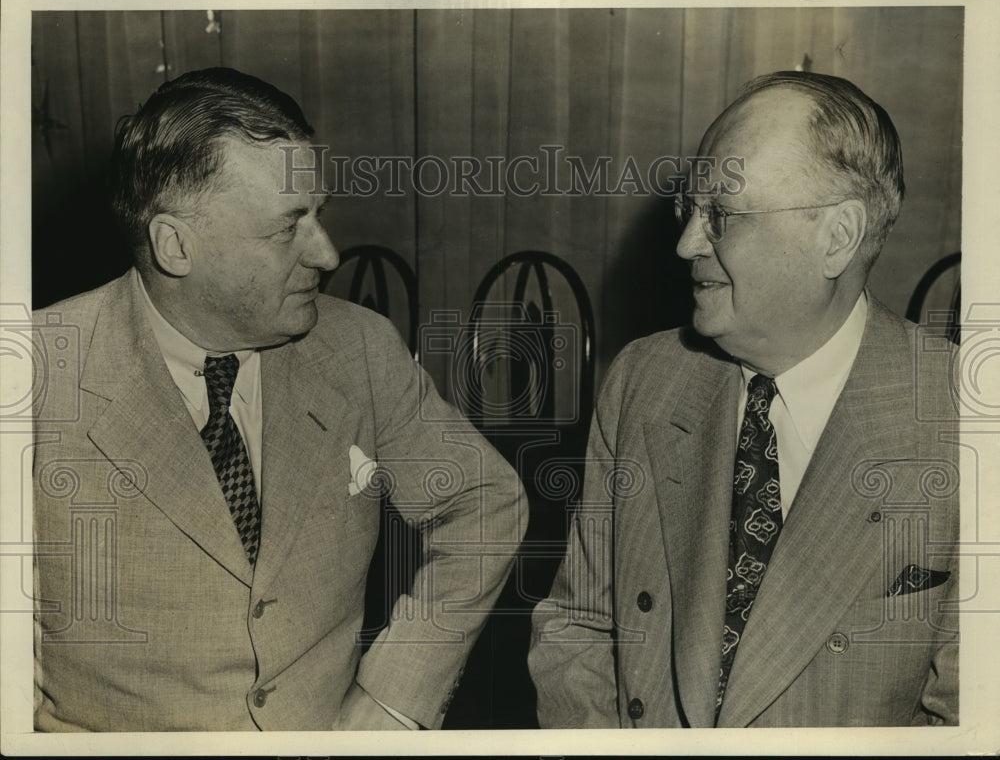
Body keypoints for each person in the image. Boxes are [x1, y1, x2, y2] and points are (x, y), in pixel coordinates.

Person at [32, 67, 525, 732]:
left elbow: (485, 503)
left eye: (318, 214)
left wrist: (392, 700)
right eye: (288, 226)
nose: (327, 252)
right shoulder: (33, 376)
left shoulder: (360, 349)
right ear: (176, 246)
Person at [528, 71, 959, 728]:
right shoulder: (644, 381)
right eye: (688, 210)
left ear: (838, 237)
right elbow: (577, 628)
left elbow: (967, 719)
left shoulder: (960, 421)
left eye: (721, 216)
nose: (685, 244)